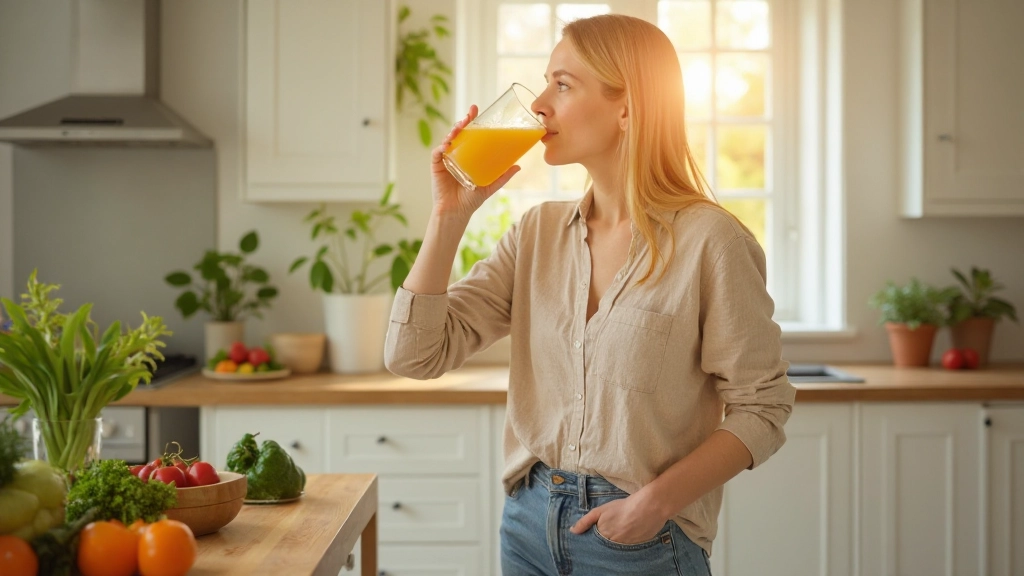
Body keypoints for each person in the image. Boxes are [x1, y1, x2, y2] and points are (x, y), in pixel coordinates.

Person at [384, 13, 796, 576]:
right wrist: (448, 217)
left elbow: (763, 408)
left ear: (626, 107)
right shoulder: (535, 235)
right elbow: (414, 355)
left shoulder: (712, 243)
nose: (538, 107)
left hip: (642, 541)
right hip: (528, 525)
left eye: (562, 84)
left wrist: (655, 504)